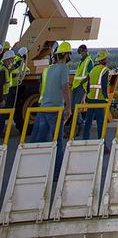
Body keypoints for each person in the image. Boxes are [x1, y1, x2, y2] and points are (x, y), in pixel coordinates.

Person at [31, 41, 71, 177]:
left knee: (41, 140)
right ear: (65, 55)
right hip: (55, 110)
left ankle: (36, 169)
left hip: (43, 110)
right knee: (58, 142)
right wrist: (69, 108)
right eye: (69, 54)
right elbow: (65, 88)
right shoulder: (63, 68)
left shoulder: (50, 68)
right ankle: (56, 174)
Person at [82, 50, 110, 140]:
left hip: (90, 99)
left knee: (88, 122)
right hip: (100, 100)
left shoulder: (93, 70)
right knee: (101, 123)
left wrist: (87, 96)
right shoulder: (105, 70)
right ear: (104, 59)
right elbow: (104, 85)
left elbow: (88, 85)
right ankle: (102, 144)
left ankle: (85, 141)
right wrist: (106, 99)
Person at [71, 45, 93, 134]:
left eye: (82, 52)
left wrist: (83, 81)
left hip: (81, 86)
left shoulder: (88, 61)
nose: (81, 54)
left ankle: (80, 125)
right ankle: (79, 124)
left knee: (75, 107)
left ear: (86, 50)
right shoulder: (82, 61)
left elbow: (91, 74)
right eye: (80, 53)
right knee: (73, 107)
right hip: (76, 86)